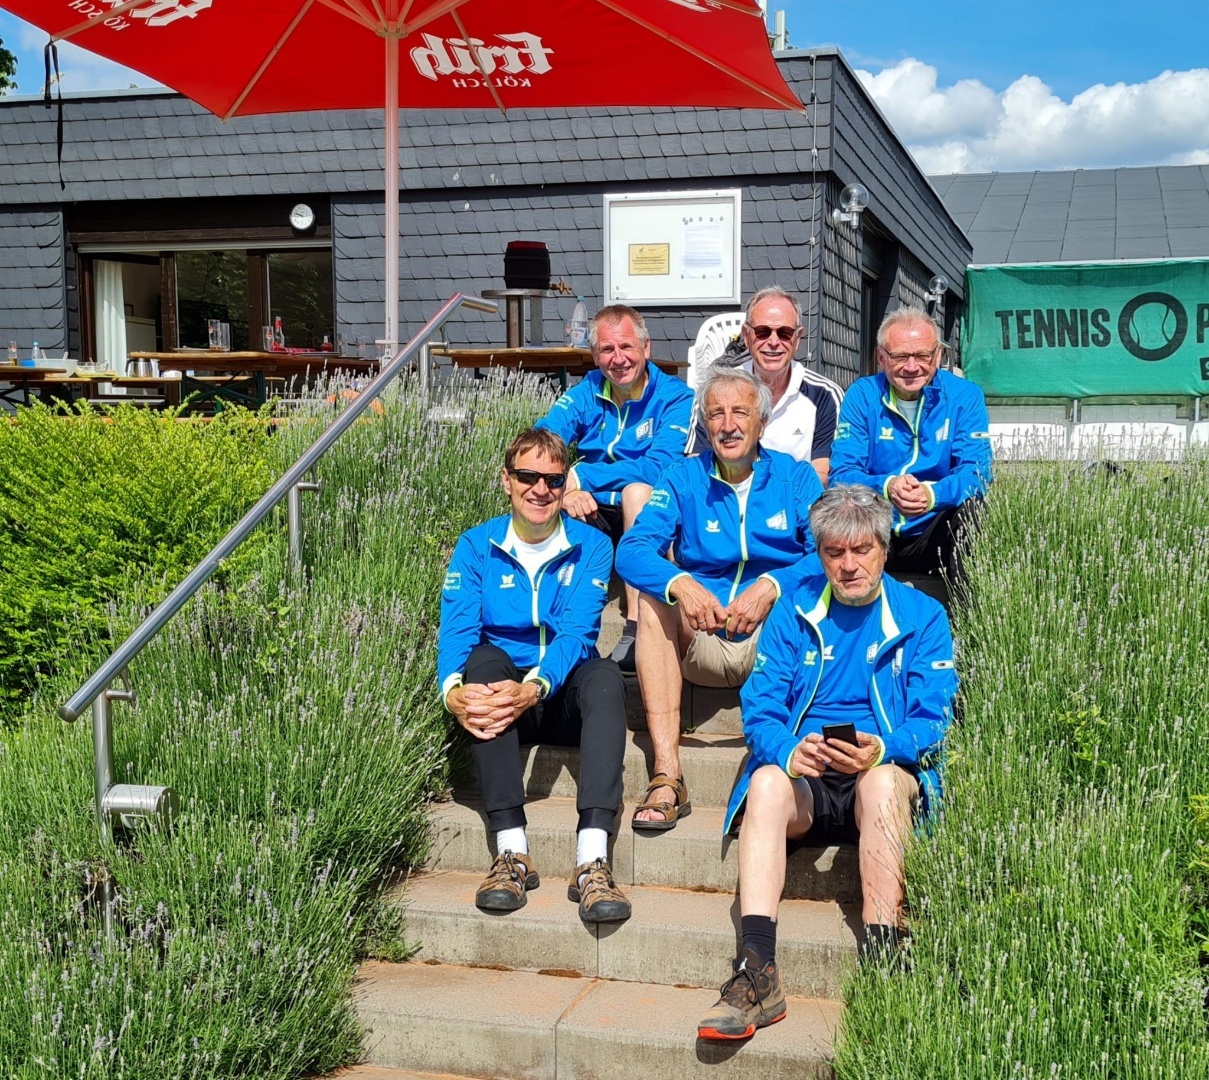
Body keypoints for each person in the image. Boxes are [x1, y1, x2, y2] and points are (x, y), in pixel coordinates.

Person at [697, 485, 957, 1040]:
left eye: (861, 549)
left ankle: (886, 955)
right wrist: (790, 750)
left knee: (884, 784)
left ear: (884, 550)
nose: (848, 564)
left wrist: (885, 747)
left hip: (877, 775)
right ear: (819, 555)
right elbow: (761, 706)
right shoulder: (794, 610)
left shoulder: (923, 615)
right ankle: (756, 970)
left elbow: (936, 716)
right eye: (834, 552)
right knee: (766, 782)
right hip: (808, 781)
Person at [616, 366, 824, 832]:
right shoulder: (682, 477)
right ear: (704, 424)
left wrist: (772, 587)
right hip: (702, 637)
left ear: (762, 422)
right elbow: (631, 550)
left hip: (773, 642)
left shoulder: (795, 478)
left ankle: (778, 769)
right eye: (716, 414)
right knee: (653, 601)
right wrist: (681, 584)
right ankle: (667, 774)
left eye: (739, 413)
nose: (727, 425)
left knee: (816, 604)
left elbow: (828, 554)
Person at [437, 428, 631, 924]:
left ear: (566, 485)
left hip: (558, 693)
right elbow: (458, 628)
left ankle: (592, 859)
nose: (540, 489)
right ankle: (511, 852)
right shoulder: (477, 546)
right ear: (507, 480)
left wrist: (535, 686)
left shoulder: (592, 545)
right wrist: (452, 692)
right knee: (479, 665)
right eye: (528, 476)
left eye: (553, 479)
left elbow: (578, 633)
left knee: (606, 676)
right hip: (503, 700)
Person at [536, 304, 694, 670]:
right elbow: (543, 440)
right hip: (592, 509)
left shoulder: (675, 397)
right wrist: (567, 489)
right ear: (595, 355)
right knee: (541, 493)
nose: (618, 359)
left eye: (627, 347)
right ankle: (546, 633)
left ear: (646, 348)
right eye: (607, 350)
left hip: (650, 513)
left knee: (636, 492)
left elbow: (660, 468)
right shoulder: (586, 391)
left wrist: (583, 477)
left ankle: (636, 628)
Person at [829, 306, 992, 583]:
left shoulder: (965, 396)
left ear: (938, 355)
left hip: (935, 527)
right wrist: (886, 486)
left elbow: (978, 473)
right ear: (881, 357)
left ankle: (968, 617)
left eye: (922, 355)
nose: (911, 366)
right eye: (900, 356)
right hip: (876, 527)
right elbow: (841, 474)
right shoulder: (861, 394)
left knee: (974, 513)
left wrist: (933, 494)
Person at [685, 286, 843, 485]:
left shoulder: (825, 395)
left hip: (796, 506)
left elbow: (822, 475)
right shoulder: (715, 392)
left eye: (785, 333)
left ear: (798, 338)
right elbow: (697, 465)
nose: (774, 342)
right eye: (762, 332)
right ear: (746, 335)